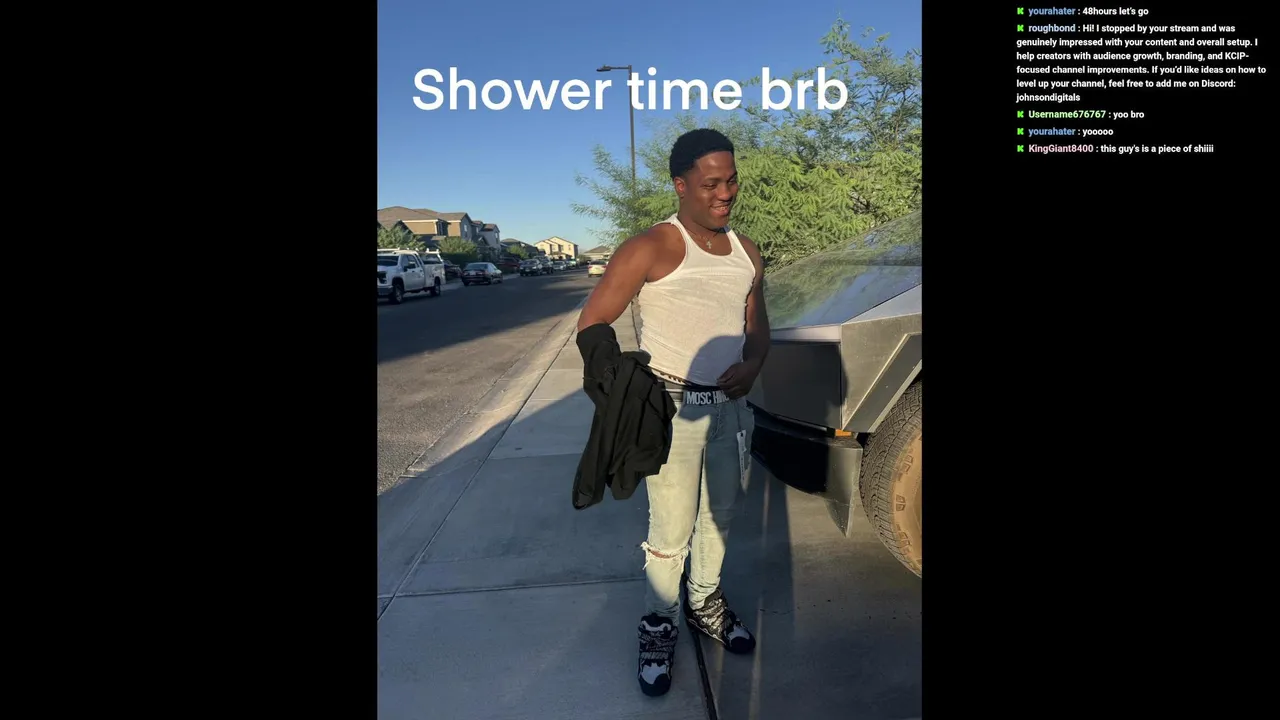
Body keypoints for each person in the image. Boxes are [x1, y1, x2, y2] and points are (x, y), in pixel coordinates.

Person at [574, 127, 770, 697]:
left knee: (720, 519)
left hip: (730, 411)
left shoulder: (746, 252)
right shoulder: (653, 246)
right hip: (672, 413)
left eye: (731, 181)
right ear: (680, 185)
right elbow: (593, 322)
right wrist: (621, 389)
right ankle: (659, 624)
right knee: (671, 531)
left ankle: (705, 604)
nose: (725, 193)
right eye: (711, 184)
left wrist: (753, 365)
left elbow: (758, 326)